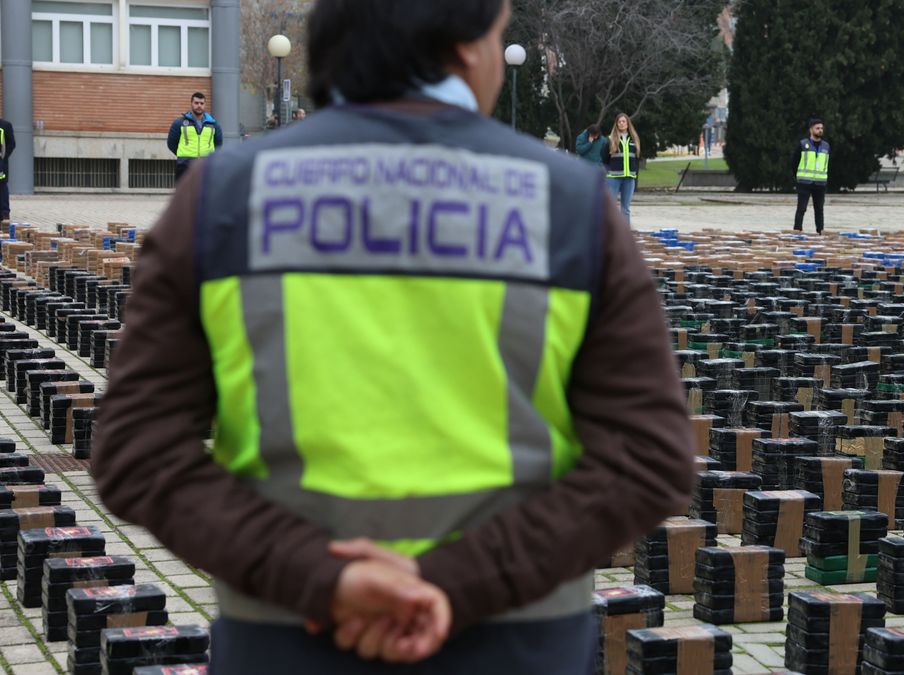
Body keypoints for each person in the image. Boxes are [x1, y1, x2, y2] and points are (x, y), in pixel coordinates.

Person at [91, 0, 694, 672]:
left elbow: (136, 450)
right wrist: (452, 582)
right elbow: (649, 455)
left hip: (292, 640)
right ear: (467, 47)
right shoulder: (568, 201)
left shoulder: (222, 197)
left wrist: (325, 577)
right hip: (516, 643)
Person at [166, 92, 223, 181]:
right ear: (191, 104)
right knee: (185, 194)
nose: (199, 106)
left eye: (201, 103)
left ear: (205, 105)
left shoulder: (214, 124)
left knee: (204, 194)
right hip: (184, 165)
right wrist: (183, 155)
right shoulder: (179, 123)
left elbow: (218, 144)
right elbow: (171, 143)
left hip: (206, 165)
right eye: (196, 103)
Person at [790, 117, 830, 233]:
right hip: (804, 182)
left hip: (820, 183)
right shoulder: (803, 144)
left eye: (821, 128)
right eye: (817, 128)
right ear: (811, 130)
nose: (820, 130)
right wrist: (797, 177)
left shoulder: (826, 146)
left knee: (819, 209)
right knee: (801, 209)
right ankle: (797, 230)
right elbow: (794, 162)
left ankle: (820, 231)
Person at [600, 113, 640, 219]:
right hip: (614, 179)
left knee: (625, 209)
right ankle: (609, 234)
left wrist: (635, 177)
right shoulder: (610, 139)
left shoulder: (634, 140)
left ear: (627, 124)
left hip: (629, 179)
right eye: (619, 122)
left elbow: (636, 160)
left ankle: (625, 234)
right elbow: (604, 158)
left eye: (624, 121)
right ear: (616, 124)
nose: (621, 124)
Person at [0, 115, 14, 225]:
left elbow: (11, 144)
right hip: (1, 162)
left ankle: (4, 212)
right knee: (2, 186)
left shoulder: (5, 125)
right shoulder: (6, 125)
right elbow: (12, 144)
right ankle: (4, 213)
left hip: (1, 163)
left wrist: (3, 158)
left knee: (2, 186)